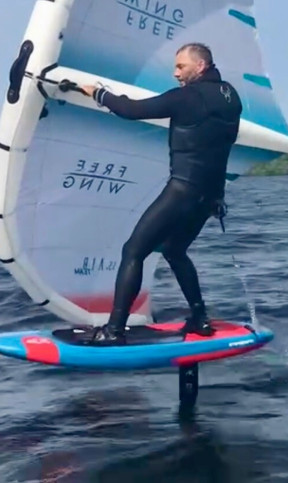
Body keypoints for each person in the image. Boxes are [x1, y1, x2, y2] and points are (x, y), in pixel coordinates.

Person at [79, 42, 243, 345]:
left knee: (133, 251)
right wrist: (217, 195)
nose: (175, 73)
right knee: (175, 250)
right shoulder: (231, 96)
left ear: (201, 66)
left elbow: (132, 110)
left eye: (181, 66)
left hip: (183, 190)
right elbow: (221, 146)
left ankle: (114, 330)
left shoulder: (187, 97)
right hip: (209, 196)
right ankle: (200, 319)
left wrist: (99, 94)